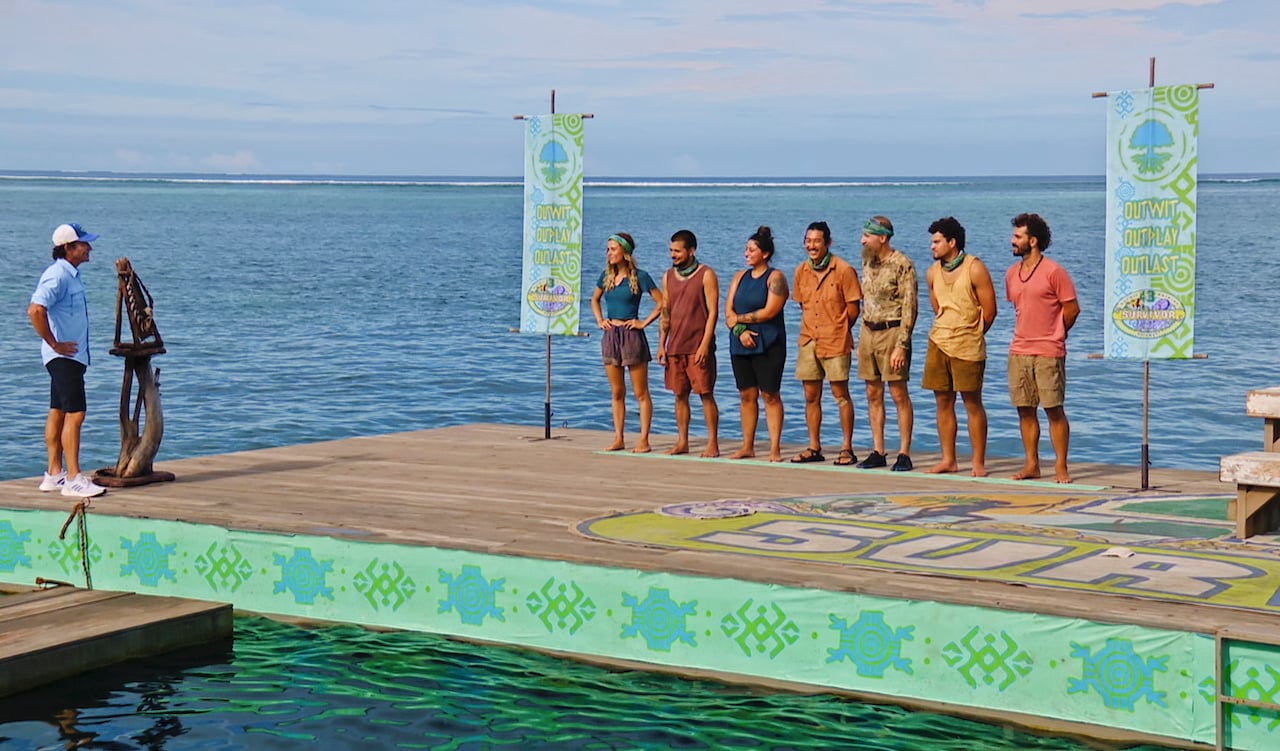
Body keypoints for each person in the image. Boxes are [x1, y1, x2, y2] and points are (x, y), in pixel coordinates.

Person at [28, 223, 107, 498]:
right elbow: (36, 310)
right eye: (83, 244)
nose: (89, 248)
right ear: (67, 248)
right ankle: (74, 478)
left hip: (69, 357)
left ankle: (54, 474)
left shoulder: (71, 275)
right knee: (76, 413)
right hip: (64, 357)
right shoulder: (58, 275)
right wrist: (54, 343)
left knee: (58, 411)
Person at [1006, 212, 1080, 483]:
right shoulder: (1012, 273)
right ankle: (1031, 465)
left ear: (1033, 241)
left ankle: (1061, 466)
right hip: (1019, 349)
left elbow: (1072, 308)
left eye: (1018, 236)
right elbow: (1019, 307)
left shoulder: (1054, 271)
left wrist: (1057, 333)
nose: (1012, 241)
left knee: (1053, 408)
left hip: (1049, 350)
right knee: (1024, 409)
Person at [922, 216, 997, 477]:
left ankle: (978, 462)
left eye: (937, 241)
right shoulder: (932, 272)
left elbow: (990, 311)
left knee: (972, 402)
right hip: (939, 341)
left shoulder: (974, 268)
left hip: (968, 345)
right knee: (942, 401)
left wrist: (972, 332)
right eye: (931, 242)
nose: (932, 246)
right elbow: (936, 307)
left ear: (952, 242)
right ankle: (948, 459)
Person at [791, 221, 863, 466]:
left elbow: (853, 309)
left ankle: (847, 448)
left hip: (835, 340)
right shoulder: (801, 271)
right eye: (808, 241)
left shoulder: (843, 270)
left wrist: (838, 329)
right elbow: (803, 304)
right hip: (808, 338)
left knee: (840, 395)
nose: (812, 246)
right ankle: (814, 446)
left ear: (828, 243)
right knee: (811, 395)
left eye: (817, 241)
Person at [854, 216, 918, 472]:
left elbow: (910, 307)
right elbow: (865, 300)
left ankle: (904, 452)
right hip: (868, 329)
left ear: (882, 237)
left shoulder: (902, 264)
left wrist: (902, 344)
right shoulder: (867, 261)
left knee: (898, 392)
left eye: (867, 236)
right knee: (872, 392)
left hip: (892, 331)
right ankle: (878, 450)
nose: (862, 240)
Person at [590, 232, 664, 453]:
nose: (609, 253)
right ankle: (619, 437)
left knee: (640, 392)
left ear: (625, 252)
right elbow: (594, 299)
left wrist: (644, 323)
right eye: (608, 249)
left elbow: (661, 303)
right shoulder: (606, 276)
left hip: (632, 334)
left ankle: (644, 439)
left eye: (613, 249)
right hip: (611, 334)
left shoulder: (640, 276)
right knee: (617, 391)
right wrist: (600, 320)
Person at [724, 226, 789, 462]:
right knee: (746, 394)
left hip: (769, 343)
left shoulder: (775, 277)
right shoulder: (739, 277)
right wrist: (740, 330)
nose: (746, 253)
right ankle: (747, 446)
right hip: (740, 343)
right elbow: (728, 311)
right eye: (746, 249)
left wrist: (739, 320)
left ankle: (774, 448)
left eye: (751, 249)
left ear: (765, 253)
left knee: (770, 395)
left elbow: (769, 311)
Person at [657, 229, 720, 457]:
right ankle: (682, 441)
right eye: (671, 250)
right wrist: (661, 344)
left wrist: (705, 344)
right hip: (675, 345)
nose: (672, 255)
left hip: (698, 346)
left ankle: (712, 442)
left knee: (705, 393)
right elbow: (666, 311)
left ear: (691, 251)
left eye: (677, 251)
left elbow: (713, 313)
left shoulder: (706, 274)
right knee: (679, 394)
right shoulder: (667, 276)